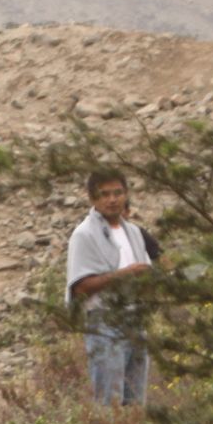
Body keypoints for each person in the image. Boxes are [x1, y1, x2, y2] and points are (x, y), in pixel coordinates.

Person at [66, 170, 152, 407]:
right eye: (104, 194)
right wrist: (125, 274)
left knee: (136, 400)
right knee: (108, 400)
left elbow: (146, 271)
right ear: (93, 199)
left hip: (136, 318)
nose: (112, 199)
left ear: (126, 195)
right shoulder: (84, 235)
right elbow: (80, 287)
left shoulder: (133, 232)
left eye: (117, 193)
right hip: (105, 323)